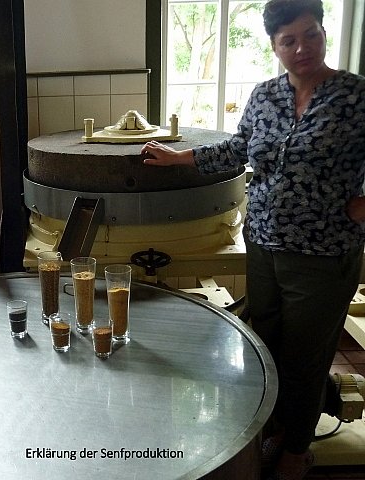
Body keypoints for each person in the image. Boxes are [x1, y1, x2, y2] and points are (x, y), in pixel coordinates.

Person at [141, 1, 365, 479]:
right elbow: (240, 148)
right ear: (274, 46)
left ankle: (296, 451)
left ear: (324, 33)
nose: (302, 48)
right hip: (262, 242)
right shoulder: (265, 95)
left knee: (305, 358)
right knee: (268, 345)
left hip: (323, 252)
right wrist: (179, 158)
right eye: (289, 40)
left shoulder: (355, 95)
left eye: (311, 34)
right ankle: (278, 427)